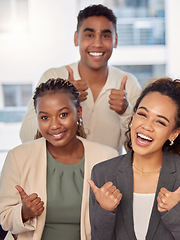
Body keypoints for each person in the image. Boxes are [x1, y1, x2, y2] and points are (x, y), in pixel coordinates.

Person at [88, 78, 180, 239]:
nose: (146, 126)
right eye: (142, 114)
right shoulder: (102, 173)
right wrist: (105, 211)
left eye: (160, 122)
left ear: (174, 133)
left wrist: (176, 213)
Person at [0, 78, 118, 239]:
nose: (54, 125)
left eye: (63, 114)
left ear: (79, 113)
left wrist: (107, 208)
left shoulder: (107, 157)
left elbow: (117, 223)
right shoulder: (18, 157)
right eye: (45, 117)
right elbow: (4, 218)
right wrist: (24, 213)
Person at [19, 4, 141, 152]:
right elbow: (26, 136)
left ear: (115, 40)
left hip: (107, 174)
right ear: (76, 38)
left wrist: (125, 112)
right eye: (89, 35)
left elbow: (136, 150)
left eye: (105, 36)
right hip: (61, 172)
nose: (97, 43)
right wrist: (62, 98)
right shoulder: (53, 77)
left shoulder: (128, 84)